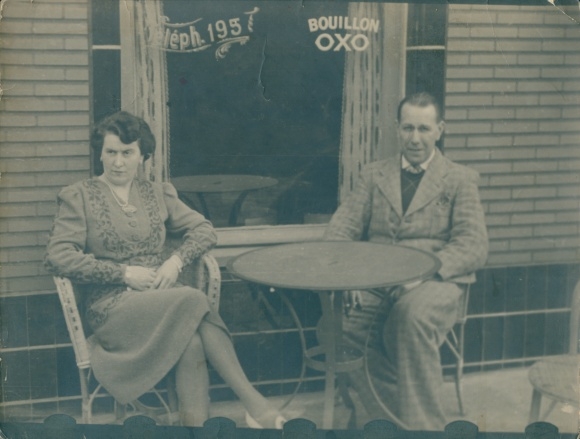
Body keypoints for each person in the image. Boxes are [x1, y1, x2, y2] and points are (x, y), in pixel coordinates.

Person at [44, 111, 286, 428]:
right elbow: (58, 256)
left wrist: (176, 261)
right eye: (111, 152)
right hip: (110, 307)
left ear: (143, 156)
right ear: (100, 153)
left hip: (161, 300)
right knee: (193, 299)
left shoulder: (157, 193)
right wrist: (124, 274)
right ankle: (257, 406)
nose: (118, 162)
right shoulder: (79, 196)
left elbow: (204, 230)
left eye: (127, 153)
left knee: (194, 342)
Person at [323, 93, 488, 430]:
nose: (415, 138)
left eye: (424, 129)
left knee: (409, 318)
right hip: (374, 282)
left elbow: (474, 245)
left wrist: (422, 276)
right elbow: (342, 229)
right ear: (397, 129)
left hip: (435, 283)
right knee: (335, 329)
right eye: (408, 128)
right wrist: (347, 278)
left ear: (439, 130)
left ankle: (425, 427)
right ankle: (391, 419)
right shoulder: (374, 175)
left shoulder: (459, 179)